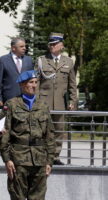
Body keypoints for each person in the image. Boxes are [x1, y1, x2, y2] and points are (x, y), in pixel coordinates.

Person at [0, 70, 56, 200]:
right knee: (17, 197)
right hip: (19, 159)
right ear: (22, 85)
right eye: (31, 82)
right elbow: (4, 134)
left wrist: (50, 161)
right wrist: (7, 159)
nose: (34, 85)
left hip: (39, 160)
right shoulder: (12, 104)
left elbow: (50, 135)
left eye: (36, 82)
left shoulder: (43, 106)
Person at [35, 32, 77, 165]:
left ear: (61, 46)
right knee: (42, 130)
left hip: (60, 103)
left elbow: (72, 84)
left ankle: (55, 157)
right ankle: (43, 156)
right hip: (43, 102)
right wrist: (35, 102)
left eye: (54, 44)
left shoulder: (68, 62)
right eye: (50, 44)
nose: (51, 46)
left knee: (59, 130)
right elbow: (36, 82)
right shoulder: (42, 60)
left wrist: (72, 101)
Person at [0, 37, 34, 107]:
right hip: (8, 98)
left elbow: (32, 79)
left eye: (25, 46)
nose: (24, 48)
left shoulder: (28, 60)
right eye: (21, 46)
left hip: (25, 98)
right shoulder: (3, 60)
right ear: (13, 48)